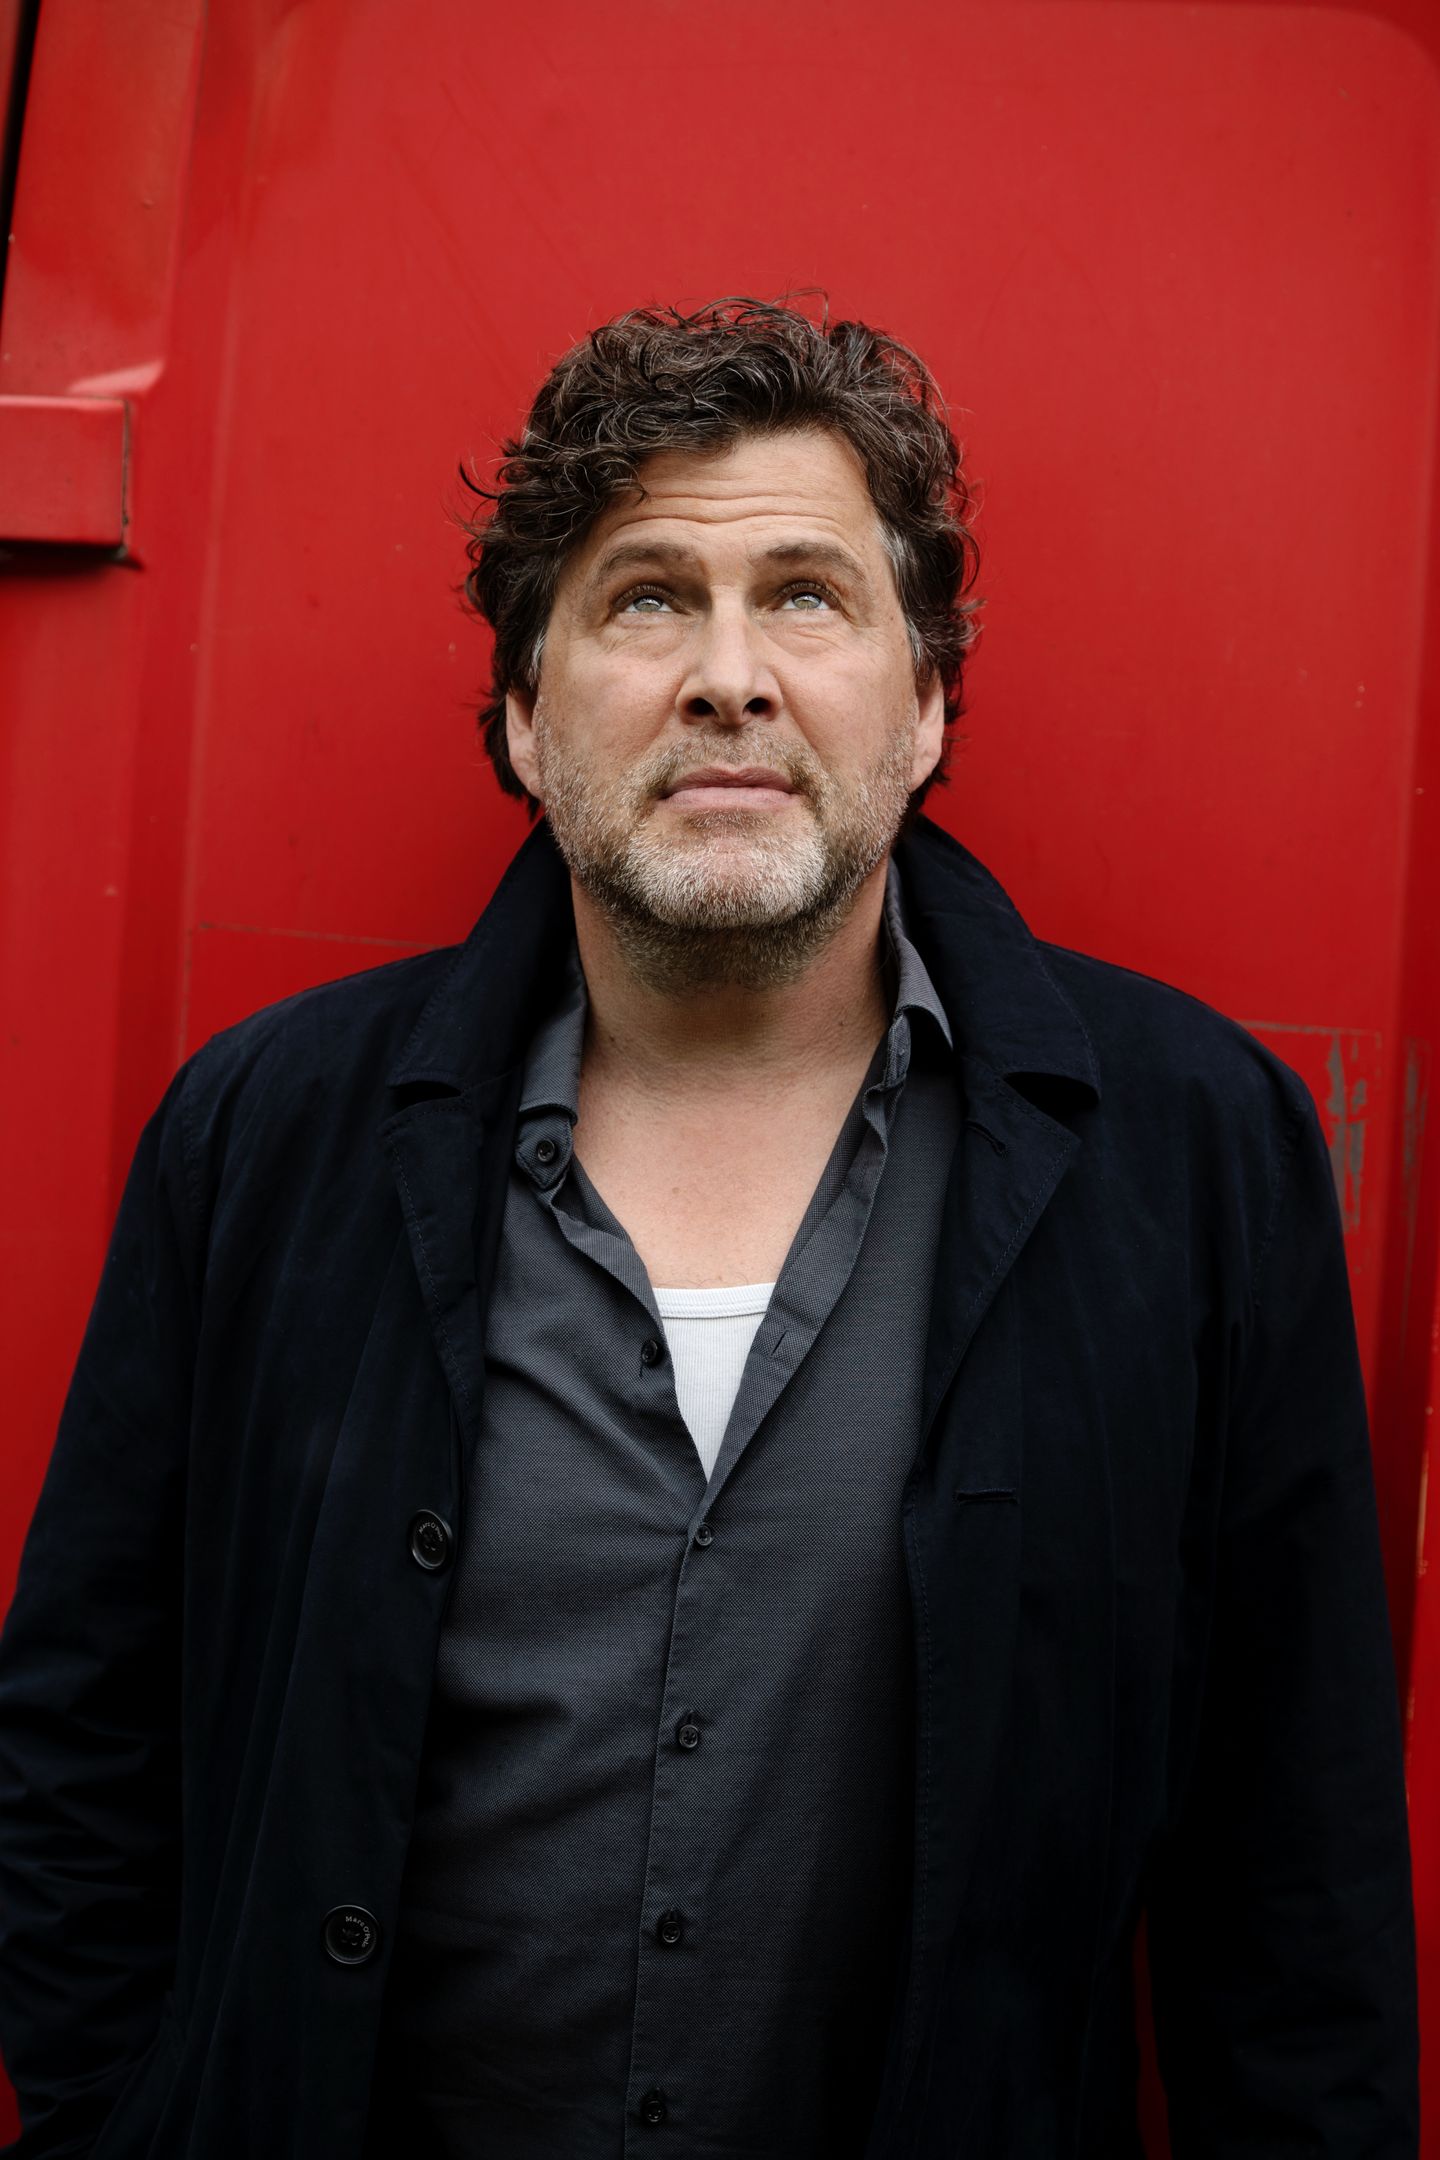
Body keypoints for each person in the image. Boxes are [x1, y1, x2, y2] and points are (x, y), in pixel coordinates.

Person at [0, 298, 1419, 2160]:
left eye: (807, 597)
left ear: (927, 705)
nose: (729, 677)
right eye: (648, 598)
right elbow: (82, 1739)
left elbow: (1294, 1863)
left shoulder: (1194, 1155)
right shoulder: (266, 1136)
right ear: (528, 714)